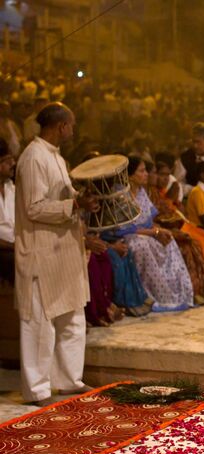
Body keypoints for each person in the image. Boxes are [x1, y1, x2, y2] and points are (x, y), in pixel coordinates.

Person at [15, 102, 99, 406]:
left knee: (72, 317)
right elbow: (33, 207)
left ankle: (68, 380)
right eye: (71, 124)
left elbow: (62, 197)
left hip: (63, 250)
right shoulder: (34, 157)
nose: (73, 130)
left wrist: (81, 200)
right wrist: (74, 206)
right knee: (38, 323)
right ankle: (37, 389)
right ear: (60, 126)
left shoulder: (56, 157)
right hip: (41, 251)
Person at [104, 156, 194, 312]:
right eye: (142, 171)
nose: (146, 174)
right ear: (130, 175)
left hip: (144, 233)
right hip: (124, 236)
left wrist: (160, 231)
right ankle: (147, 296)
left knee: (168, 239)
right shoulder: (119, 194)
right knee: (142, 245)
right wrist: (155, 232)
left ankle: (174, 294)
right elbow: (125, 228)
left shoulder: (141, 192)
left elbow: (148, 221)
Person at [146, 161, 204, 304]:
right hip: (164, 228)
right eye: (160, 174)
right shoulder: (150, 192)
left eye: (167, 175)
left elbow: (175, 211)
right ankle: (197, 291)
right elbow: (160, 215)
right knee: (195, 243)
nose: (165, 178)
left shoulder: (159, 192)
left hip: (177, 226)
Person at [0, 138, 15, 285]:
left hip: (15, 247)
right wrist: (14, 247)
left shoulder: (12, 188)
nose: (13, 164)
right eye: (7, 161)